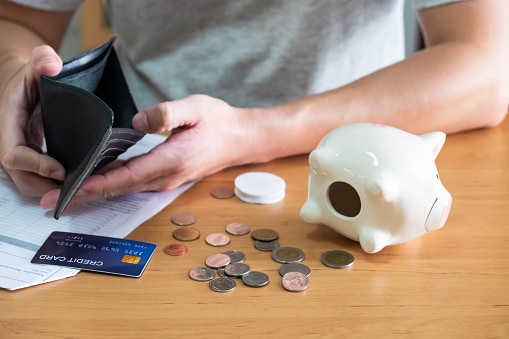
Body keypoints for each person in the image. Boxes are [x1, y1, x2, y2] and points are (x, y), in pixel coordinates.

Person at [0, 0, 508, 211]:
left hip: (353, 166)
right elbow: (19, 21)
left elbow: (485, 67)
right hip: (139, 167)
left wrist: (248, 133)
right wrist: (11, 81)